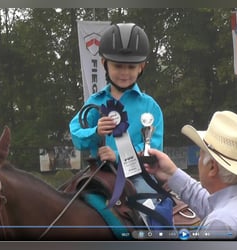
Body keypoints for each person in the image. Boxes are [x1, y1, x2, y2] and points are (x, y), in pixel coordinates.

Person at [69, 23, 170, 226]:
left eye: (131, 67)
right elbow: (76, 134)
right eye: (118, 66)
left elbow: (152, 149)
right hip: (97, 173)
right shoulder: (94, 102)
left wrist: (119, 156)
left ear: (142, 66)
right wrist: (95, 131)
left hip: (137, 177)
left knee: (153, 210)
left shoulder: (150, 107)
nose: (125, 72)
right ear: (104, 63)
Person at [145, 110, 237, 240]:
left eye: (200, 155)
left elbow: (217, 213)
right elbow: (209, 204)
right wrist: (171, 173)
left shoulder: (221, 223)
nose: (199, 160)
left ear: (212, 167)